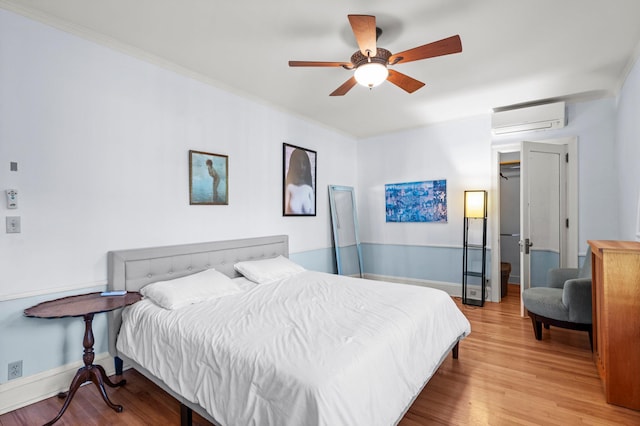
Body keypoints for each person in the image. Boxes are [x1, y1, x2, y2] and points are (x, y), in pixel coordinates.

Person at [285, 148, 314, 214]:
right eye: (298, 163)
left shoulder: (309, 189)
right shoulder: (289, 188)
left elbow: (312, 211)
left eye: (304, 163)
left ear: (307, 166)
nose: (301, 167)